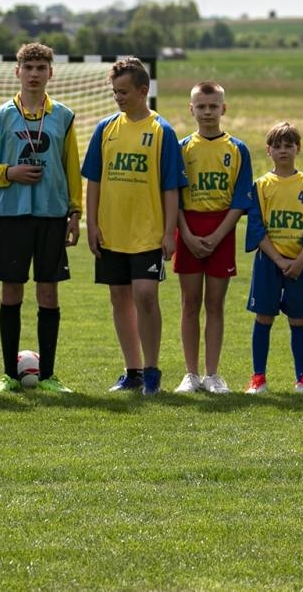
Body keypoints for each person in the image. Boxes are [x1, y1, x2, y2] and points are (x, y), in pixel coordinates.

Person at [0, 42, 82, 394]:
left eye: (41, 68)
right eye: (29, 68)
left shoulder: (64, 117)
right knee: (11, 292)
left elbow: (72, 167)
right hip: (12, 215)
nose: (35, 75)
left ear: (51, 72)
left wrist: (75, 211)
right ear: (17, 72)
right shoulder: (1, 115)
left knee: (49, 294)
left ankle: (50, 375)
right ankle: (9, 374)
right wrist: (11, 173)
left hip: (52, 215)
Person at [82, 56, 187, 396]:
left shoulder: (162, 132)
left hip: (147, 233)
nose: (118, 97)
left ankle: (153, 369)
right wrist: (92, 224)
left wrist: (170, 231)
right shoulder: (105, 129)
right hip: (111, 231)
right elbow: (94, 181)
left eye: (124, 91)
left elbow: (170, 187)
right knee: (119, 297)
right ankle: (133, 371)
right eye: (115, 92)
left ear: (144, 91)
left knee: (145, 295)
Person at [174, 81, 256, 394]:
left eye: (213, 106)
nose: (207, 112)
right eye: (201, 106)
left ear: (223, 109)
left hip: (223, 229)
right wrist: (188, 234)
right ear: (191, 109)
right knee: (189, 303)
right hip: (189, 229)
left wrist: (221, 233)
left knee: (215, 304)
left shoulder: (237, 149)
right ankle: (190, 374)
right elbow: (175, 197)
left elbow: (240, 198)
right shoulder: (181, 148)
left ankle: (212, 375)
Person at [246, 122, 303, 395]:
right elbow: (256, 227)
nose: (283, 150)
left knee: (298, 320)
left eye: (288, 145)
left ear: (298, 148)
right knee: (264, 317)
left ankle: (302, 379)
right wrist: (279, 260)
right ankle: (258, 378)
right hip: (269, 262)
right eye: (277, 146)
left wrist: (301, 258)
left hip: (299, 263)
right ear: (268, 151)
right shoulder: (261, 185)